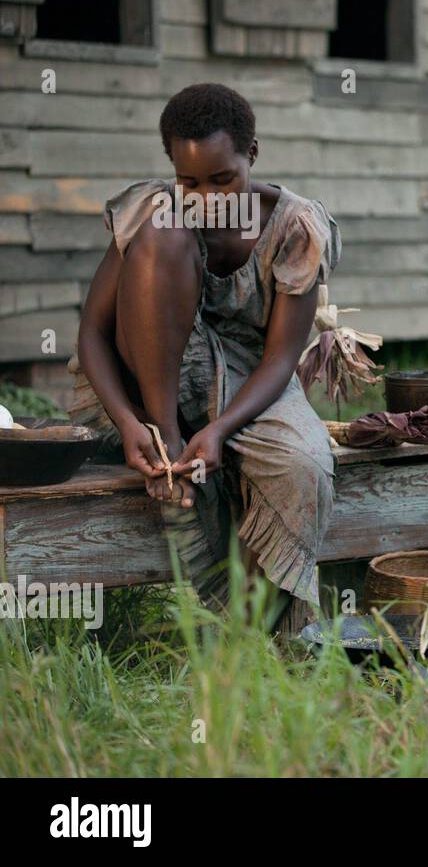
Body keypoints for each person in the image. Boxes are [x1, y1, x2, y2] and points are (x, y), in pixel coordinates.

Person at [69, 82, 340, 614]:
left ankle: (250, 626)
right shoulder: (155, 211)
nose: (206, 199)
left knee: (303, 464)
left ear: (252, 155)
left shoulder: (294, 226)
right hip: (147, 384)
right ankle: (168, 444)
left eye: (223, 179)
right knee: (164, 233)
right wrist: (131, 424)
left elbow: (282, 358)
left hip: (249, 380)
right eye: (189, 182)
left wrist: (219, 430)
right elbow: (93, 334)